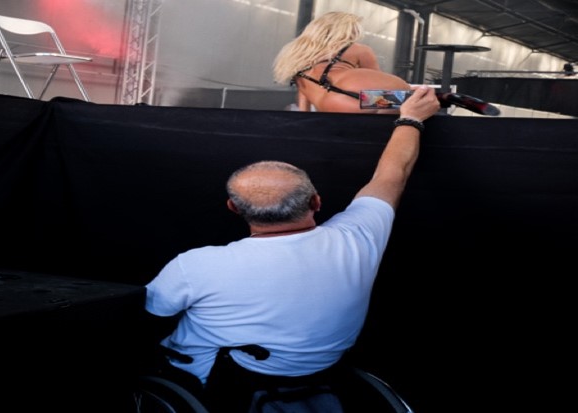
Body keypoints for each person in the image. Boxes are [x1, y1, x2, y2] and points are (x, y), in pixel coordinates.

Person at [144, 86, 440, 411]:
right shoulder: (359, 237)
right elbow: (393, 174)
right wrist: (411, 118)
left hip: (208, 387)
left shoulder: (195, 266)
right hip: (321, 377)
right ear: (316, 201)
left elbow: (150, 314)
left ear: (232, 207)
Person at [273, 11, 411, 114]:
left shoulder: (298, 53)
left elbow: (303, 91)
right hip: (361, 100)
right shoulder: (358, 49)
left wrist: (305, 116)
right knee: (412, 102)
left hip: (327, 105)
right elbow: (378, 82)